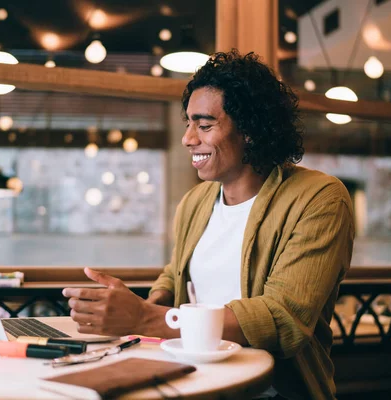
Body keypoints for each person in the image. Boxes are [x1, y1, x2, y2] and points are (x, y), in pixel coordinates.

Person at [63, 50, 355, 400]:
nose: (188, 138)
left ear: (250, 130)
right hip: (192, 376)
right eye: (188, 124)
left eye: (204, 125)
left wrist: (144, 317)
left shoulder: (319, 198)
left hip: (271, 389)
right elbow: (176, 274)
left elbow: (282, 318)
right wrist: (139, 307)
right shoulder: (195, 202)